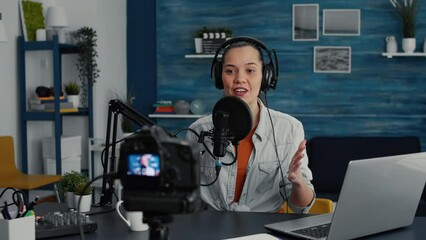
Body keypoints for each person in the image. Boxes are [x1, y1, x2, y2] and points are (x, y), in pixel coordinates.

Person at [186, 37, 315, 212]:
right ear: (219, 77)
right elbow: (189, 197)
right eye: (230, 71)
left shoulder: (289, 129)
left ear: (266, 77)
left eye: (250, 70)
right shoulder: (199, 130)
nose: (240, 78)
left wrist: (298, 181)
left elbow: (301, 208)